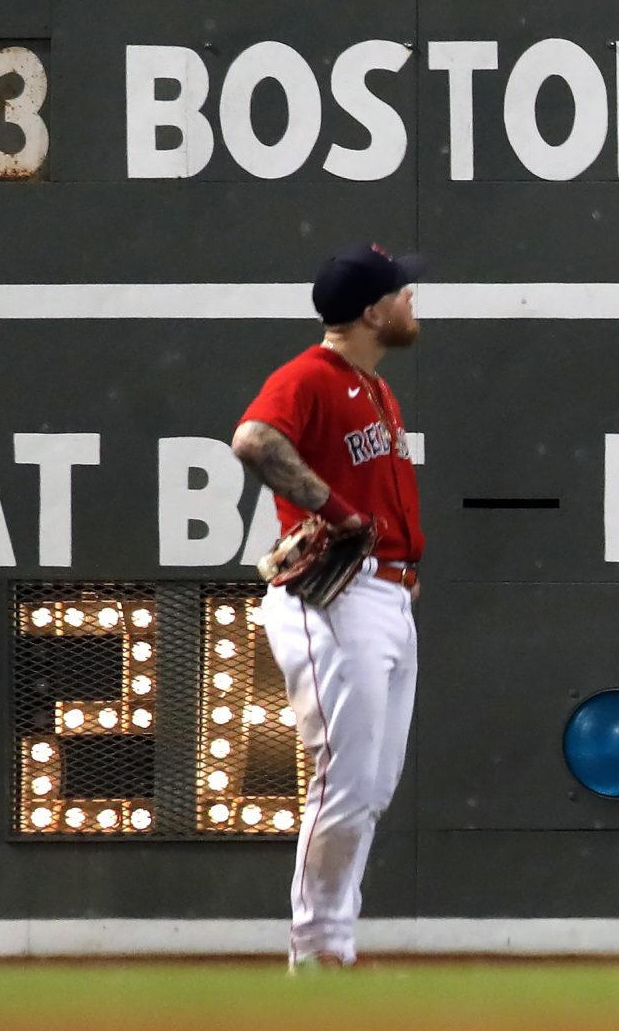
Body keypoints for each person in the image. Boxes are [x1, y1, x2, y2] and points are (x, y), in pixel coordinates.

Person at [230, 243, 428, 972]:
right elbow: (254, 439)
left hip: (387, 596)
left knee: (370, 787)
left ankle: (334, 942)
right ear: (374, 312)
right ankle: (316, 951)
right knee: (344, 781)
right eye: (405, 294)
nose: (414, 304)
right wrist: (338, 512)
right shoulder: (310, 376)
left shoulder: (373, 388)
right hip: (337, 601)